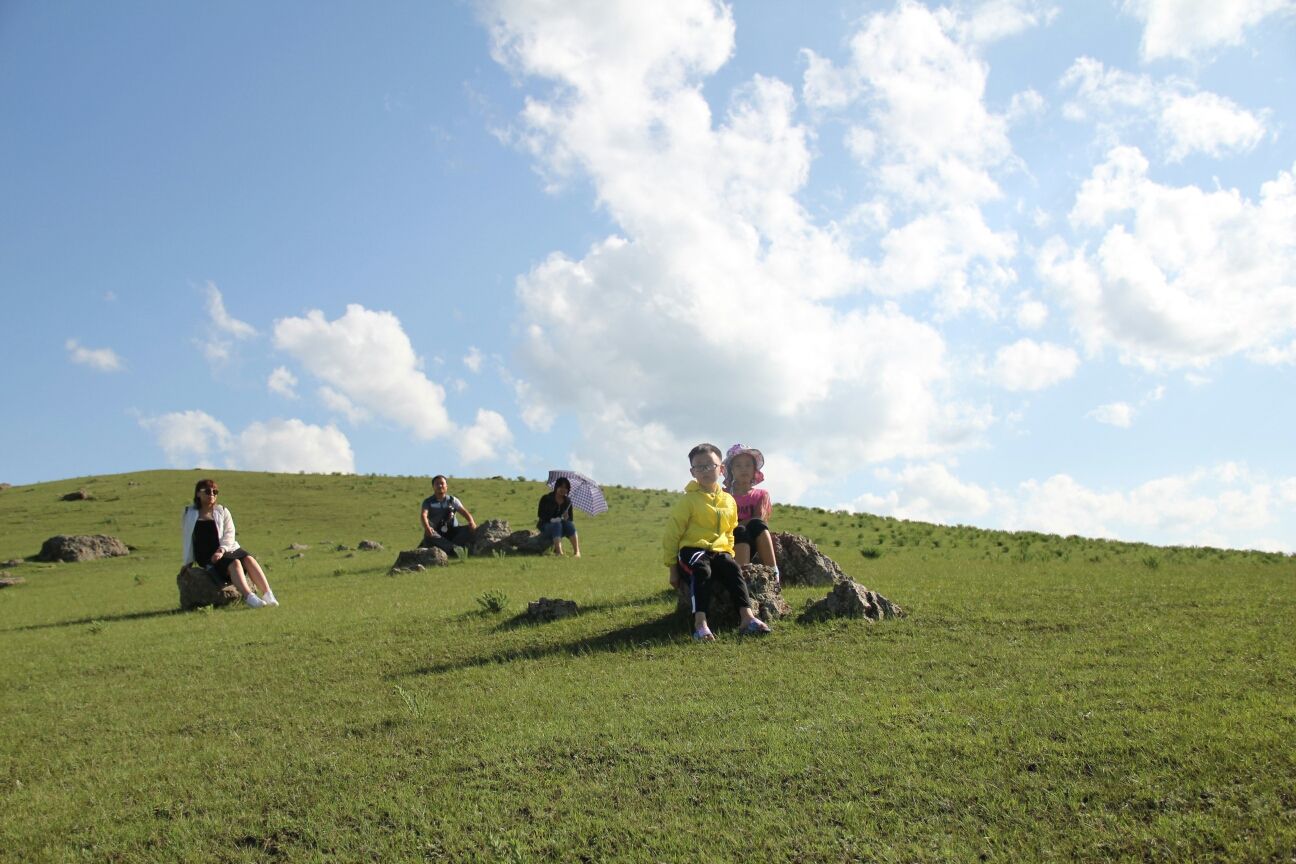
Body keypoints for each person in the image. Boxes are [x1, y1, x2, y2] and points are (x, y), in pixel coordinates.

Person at [662, 443, 772, 641]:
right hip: (692, 549)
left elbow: (730, 531)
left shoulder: (728, 500)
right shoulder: (687, 501)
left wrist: (728, 552)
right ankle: (700, 625)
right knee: (701, 569)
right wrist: (672, 568)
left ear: (721, 469)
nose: (705, 470)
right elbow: (672, 535)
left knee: (732, 568)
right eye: (699, 467)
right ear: (692, 472)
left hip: (719, 550)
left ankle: (747, 618)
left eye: (710, 465)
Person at [180, 478, 277, 608]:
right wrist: (188, 562)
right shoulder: (189, 513)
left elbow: (229, 534)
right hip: (206, 553)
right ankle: (250, 597)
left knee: (249, 559)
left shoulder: (222, 511)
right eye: (208, 491)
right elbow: (187, 538)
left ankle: (268, 594)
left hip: (227, 548)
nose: (212, 495)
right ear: (198, 493)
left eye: (215, 492)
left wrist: (222, 550)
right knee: (235, 563)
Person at [724, 443, 780, 583]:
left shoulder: (761, 494)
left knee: (756, 525)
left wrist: (741, 523)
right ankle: (742, 579)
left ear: (755, 469)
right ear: (731, 470)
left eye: (748, 465)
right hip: (728, 541)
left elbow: (759, 520)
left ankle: (774, 574)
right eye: (738, 465)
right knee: (740, 530)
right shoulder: (723, 495)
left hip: (753, 540)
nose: (744, 469)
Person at [419, 475, 477, 557]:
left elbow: (465, 512)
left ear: (446, 486)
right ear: (433, 487)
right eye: (437, 484)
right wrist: (427, 527)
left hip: (453, 532)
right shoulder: (428, 502)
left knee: (470, 528)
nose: (440, 486)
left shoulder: (453, 500)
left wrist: (471, 522)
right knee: (429, 532)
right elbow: (423, 515)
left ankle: (450, 548)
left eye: (442, 483)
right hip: (437, 534)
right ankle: (454, 549)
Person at [537, 477, 581, 556]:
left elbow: (570, 519)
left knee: (569, 524)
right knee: (557, 524)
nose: (563, 489)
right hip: (546, 527)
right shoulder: (546, 498)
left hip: (561, 529)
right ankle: (559, 552)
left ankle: (577, 552)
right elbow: (540, 514)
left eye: (565, 488)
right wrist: (552, 520)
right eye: (561, 487)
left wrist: (566, 518)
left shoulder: (568, 501)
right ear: (556, 487)